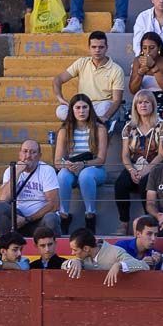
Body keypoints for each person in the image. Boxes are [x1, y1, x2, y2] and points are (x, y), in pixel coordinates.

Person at [114, 89, 163, 233]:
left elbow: (162, 155)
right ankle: (123, 222)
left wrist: (145, 170)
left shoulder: (162, 125)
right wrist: (132, 170)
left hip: (156, 168)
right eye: (139, 103)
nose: (143, 105)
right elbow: (125, 155)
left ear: (152, 105)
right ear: (135, 106)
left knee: (146, 182)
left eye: (146, 102)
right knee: (120, 183)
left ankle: (149, 222)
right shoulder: (129, 127)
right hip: (134, 167)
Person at [53, 93, 108, 234]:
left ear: (90, 109)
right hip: (72, 168)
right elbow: (57, 162)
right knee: (63, 175)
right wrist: (68, 165)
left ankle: (90, 215)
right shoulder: (65, 130)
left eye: (85, 107)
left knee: (85, 175)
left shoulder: (99, 128)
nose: (81, 111)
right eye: (77, 108)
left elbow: (101, 159)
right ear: (72, 110)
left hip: (94, 169)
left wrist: (83, 164)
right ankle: (64, 215)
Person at [51, 30, 124, 129]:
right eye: (94, 47)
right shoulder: (81, 62)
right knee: (60, 111)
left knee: (105, 108)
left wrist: (105, 116)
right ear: (89, 48)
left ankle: (82, 124)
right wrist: (60, 98)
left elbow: (117, 100)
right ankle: (87, 122)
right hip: (83, 105)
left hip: (100, 106)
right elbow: (58, 79)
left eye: (101, 47)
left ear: (106, 48)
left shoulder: (116, 70)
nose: (97, 50)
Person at [0, 139, 62, 236]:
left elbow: (54, 205)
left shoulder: (47, 170)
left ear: (39, 156)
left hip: (39, 221)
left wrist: (27, 219)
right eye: (25, 151)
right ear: (19, 154)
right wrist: (17, 172)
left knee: (52, 218)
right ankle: (7, 245)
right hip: (17, 220)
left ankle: (51, 249)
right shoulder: (10, 170)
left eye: (33, 152)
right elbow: (3, 198)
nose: (28, 156)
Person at [63, 228, 151, 284]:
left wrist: (119, 265)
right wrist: (75, 261)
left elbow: (143, 265)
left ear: (86, 248)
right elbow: (63, 265)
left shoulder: (115, 252)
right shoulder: (82, 258)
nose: (72, 253)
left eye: (75, 250)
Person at [128, 31, 163, 114]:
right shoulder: (138, 60)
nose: (148, 51)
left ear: (159, 48)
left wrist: (154, 67)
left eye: (151, 48)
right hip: (143, 99)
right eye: (144, 48)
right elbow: (133, 90)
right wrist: (140, 74)